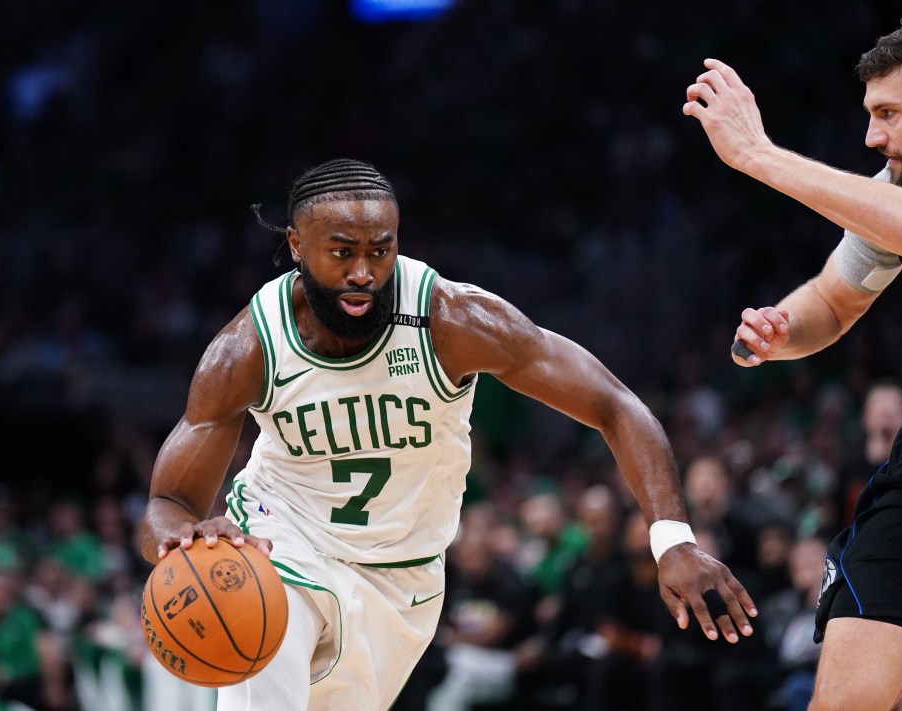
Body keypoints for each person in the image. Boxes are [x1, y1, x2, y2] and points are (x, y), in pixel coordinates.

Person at [138, 158, 757, 710]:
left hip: (403, 576)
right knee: (263, 641)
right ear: (298, 245)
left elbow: (615, 405)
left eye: (379, 251)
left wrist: (672, 539)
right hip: (281, 541)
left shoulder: (452, 320)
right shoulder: (249, 346)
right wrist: (184, 538)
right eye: (342, 251)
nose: (363, 272)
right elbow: (167, 505)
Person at [683, 13, 902, 711]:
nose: (872, 135)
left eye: (889, 113)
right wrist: (780, 329)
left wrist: (759, 154)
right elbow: (833, 300)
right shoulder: (900, 184)